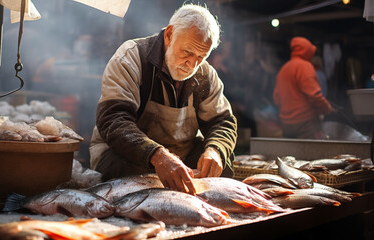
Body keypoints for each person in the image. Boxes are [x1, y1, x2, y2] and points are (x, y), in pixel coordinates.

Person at [89, 4, 237, 195]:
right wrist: (157, 156)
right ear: (169, 35)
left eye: (201, 56)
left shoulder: (205, 74)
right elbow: (113, 120)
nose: (192, 64)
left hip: (180, 158)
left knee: (223, 161)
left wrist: (215, 151)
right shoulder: (131, 57)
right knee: (127, 174)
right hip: (128, 155)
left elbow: (222, 121)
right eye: (187, 52)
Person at [273, 37, 334, 139]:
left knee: (289, 154)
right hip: (304, 124)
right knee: (307, 153)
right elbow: (314, 95)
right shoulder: (305, 66)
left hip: (285, 125)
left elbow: (276, 98)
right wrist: (327, 108)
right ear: (307, 51)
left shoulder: (284, 69)